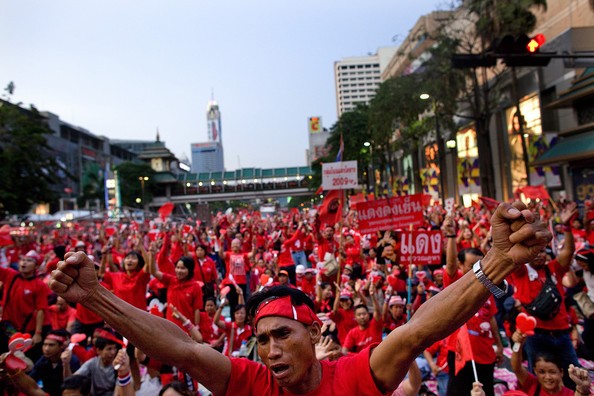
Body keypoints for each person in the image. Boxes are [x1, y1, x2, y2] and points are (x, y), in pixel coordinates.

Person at [49, 202, 552, 395]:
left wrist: (501, 261)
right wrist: (95, 298)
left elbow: (419, 330)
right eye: (261, 339)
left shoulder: (357, 373)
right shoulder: (248, 381)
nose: (269, 350)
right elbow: (180, 350)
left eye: (282, 335)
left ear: (313, 333)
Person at [509, 202, 579, 388]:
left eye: (543, 252)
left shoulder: (554, 268)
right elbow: (511, 256)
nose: (540, 255)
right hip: (536, 336)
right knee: (541, 383)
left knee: (573, 379)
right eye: (535, 252)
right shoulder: (521, 272)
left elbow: (569, 251)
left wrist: (566, 227)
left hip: (562, 335)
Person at [442, 216, 504, 396]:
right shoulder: (454, 283)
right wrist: (452, 236)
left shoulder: (486, 287)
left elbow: (491, 318)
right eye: (471, 266)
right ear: (461, 265)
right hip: (461, 351)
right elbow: (451, 264)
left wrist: (499, 346)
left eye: (479, 265)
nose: (476, 270)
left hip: (485, 353)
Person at [511, 329, 591, 395]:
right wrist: (518, 343)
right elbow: (516, 368)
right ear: (535, 371)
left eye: (552, 372)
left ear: (561, 372)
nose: (548, 377)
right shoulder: (532, 385)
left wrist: (582, 389)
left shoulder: (569, 393)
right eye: (542, 372)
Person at [69, 329, 123, 396]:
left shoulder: (119, 366)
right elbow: (74, 378)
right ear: (98, 351)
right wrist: (66, 364)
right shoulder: (92, 363)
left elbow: (118, 391)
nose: (113, 352)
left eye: (114, 348)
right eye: (109, 349)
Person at [30, 330, 81, 396]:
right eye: (45, 344)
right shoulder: (43, 360)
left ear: (62, 346)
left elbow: (71, 386)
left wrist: (66, 364)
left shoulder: (73, 361)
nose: (46, 349)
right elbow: (31, 379)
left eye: (51, 345)